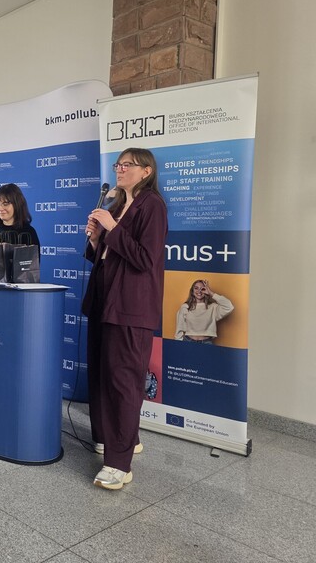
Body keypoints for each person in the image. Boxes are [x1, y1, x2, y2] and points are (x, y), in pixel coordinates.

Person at [82, 147, 167, 490]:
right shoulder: (116, 204)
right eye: (118, 164)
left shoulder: (152, 206)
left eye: (127, 164)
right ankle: (112, 438)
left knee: (124, 381)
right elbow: (107, 256)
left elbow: (145, 258)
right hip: (104, 300)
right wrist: (95, 239)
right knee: (102, 375)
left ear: (146, 171)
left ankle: (119, 465)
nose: (119, 169)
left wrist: (112, 227)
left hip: (131, 306)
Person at [175, 279, 234, 344]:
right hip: (188, 341)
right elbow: (179, 328)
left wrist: (211, 293)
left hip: (206, 343)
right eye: (196, 288)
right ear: (192, 291)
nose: (199, 291)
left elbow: (229, 306)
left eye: (202, 289)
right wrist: (178, 345)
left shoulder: (213, 307)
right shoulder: (185, 306)